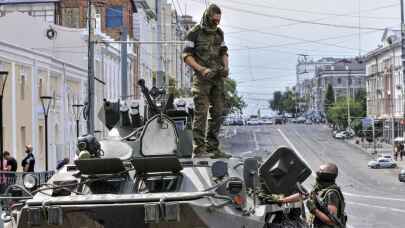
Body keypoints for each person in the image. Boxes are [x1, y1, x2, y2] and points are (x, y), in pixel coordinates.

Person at [182, 3, 231, 159]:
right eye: (214, 20)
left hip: (217, 78)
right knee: (201, 113)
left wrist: (226, 67)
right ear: (208, 17)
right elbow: (186, 56)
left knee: (219, 111)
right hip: (202, 79)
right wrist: (201, 69)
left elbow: (224, 52)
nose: (216, 23)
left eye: (218, 21)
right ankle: (199, 149)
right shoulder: (194, 33)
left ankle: (213, 148)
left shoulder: (219, 33)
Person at [279, 163, 346, 228]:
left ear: (325, 176)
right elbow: (303, 195)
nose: (317, 174)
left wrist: (314, 210)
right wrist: (282, 200)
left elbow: (331, 221)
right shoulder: (321, 188)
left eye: (320, 172)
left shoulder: (331, 194)